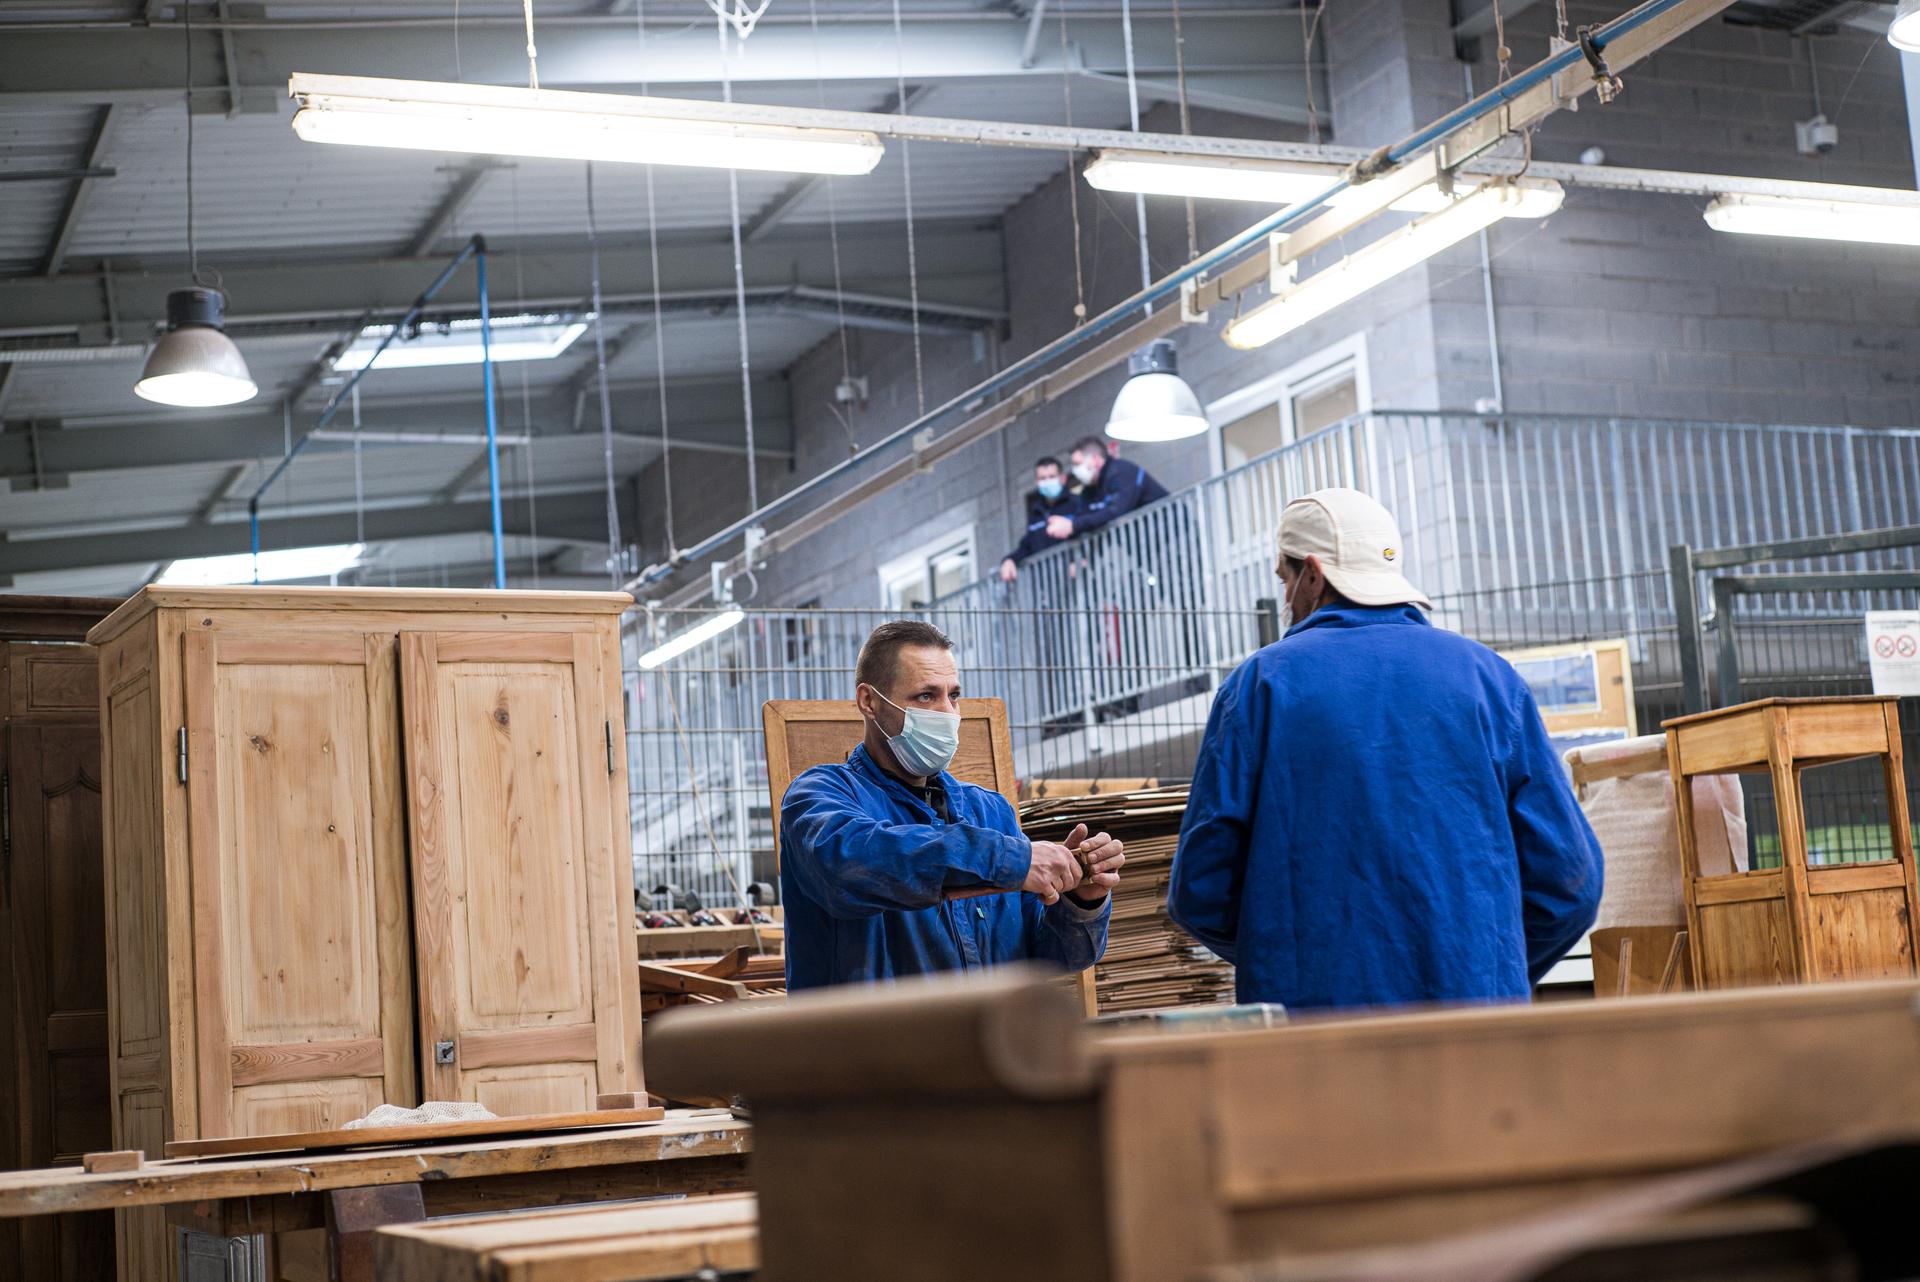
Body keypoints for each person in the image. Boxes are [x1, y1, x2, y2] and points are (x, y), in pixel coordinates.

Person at [1168, 488, 1602, 1012]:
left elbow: (1199, 889)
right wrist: (1490, 970)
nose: (1287, 601)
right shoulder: (1490, 681)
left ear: (1312, 573)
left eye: (1285, 582)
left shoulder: (1259, 687)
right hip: (1477, 1028)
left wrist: (1287, 962)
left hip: (1316, 1034)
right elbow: (1571, 880)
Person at [780, 620, 1125, 989]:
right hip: (876, 1046)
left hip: (985, 1040)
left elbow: (1046, 960)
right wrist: (1010, 860)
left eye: (953, 695)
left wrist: (1081, 902)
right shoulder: (818, 796)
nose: (947, 712)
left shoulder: (990, 812)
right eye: (925, 696)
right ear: (869, 701)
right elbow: (853, 862)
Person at [1047, 436, 1171, 541]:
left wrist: (1073, 525)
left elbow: (1116, 510)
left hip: (1171, 532)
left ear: (1095, 459)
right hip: (1147, 543)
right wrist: (1070, 528)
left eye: (1078, 464)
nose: (1075, 470)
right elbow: (1087, 515)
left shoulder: (1122, 471)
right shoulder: (1090, 487)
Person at [999, 456, 1082, 583]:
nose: (1047, 481)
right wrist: (1009, 560)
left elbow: (1087, 530)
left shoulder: (1076, 503)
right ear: (1037, 482)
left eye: (1052, 477)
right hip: (1049, 586)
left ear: (1062, 478)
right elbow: (1027, 546)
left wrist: (1080, 558)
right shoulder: (1036, 513)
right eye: (1043, 478)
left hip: (1078, 580)